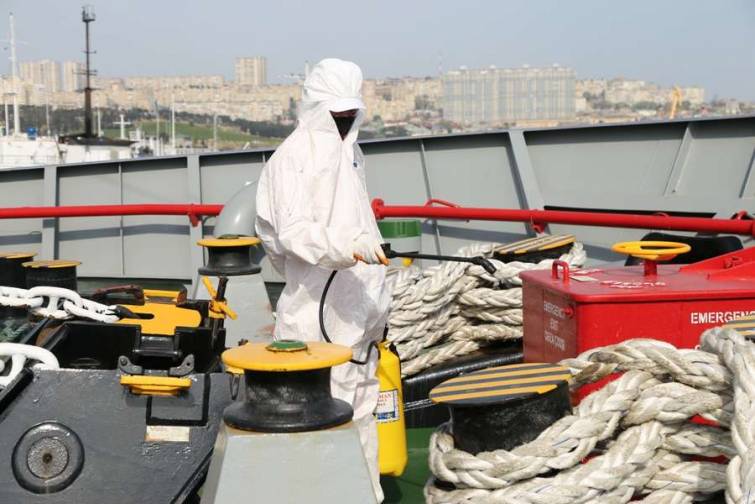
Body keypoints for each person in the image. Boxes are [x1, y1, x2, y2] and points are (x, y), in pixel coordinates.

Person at [255, 58, 390, 502]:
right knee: (321, 423)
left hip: (360, 315)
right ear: (315, 108)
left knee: (363, 413)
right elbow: (291, 235)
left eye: (351, 113)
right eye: (337, 114)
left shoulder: (350, 153)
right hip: (317, 318)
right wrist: (345, 249)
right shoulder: (290, 160)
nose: (345, 121)